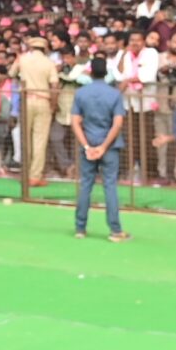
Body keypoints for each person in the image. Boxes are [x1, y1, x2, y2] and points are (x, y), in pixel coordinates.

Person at [71, 58, 129, 242]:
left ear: (90, 72)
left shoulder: (81, 93)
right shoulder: (114, 94)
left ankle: (80, 228)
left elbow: (75, 122)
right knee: (110, 186)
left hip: (88, 141)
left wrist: (87, 146)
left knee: (85, 185)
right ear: (106, 73)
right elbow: (118, 123)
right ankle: (115, 230)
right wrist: (104, 146)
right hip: (109, 146)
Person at [16, 36, 60, 187]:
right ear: (45, 48)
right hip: (43, 99)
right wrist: (53, 105)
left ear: (30, 47)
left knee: (25, 138)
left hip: (26, 98)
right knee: (39, 141)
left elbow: (10, 73)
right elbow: (54, 86)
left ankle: (24, 174)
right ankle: (35, 176)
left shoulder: (22, 59)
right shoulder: (49, 63)